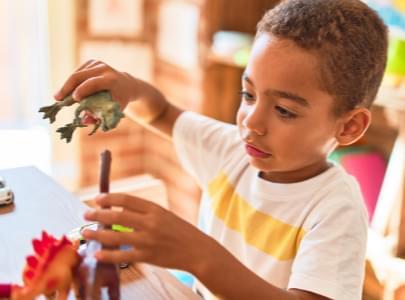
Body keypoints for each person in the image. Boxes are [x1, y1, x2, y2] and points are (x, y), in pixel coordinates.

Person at [54, 0, 388, 299]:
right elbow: (160, 112)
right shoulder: (233, 150)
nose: (251, 123)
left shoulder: (335, 209)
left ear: (348, 127)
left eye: (284, 110)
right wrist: (130, 87)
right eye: (248, 95)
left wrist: (201, 257)